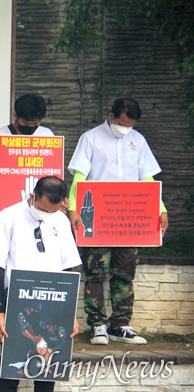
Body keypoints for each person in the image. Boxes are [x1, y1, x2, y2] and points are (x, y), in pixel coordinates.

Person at [67, 97, 169, 346]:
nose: (126, 129)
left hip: (129, 217)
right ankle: (98, 325)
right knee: (96, 274)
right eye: (122, 123)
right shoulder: (90, 138)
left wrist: (161, 208)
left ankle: (120, 324)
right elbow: (79, 178)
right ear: (111, 116)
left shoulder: (138, 140)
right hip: (97, 217)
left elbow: (147, 179)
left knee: (125, 273)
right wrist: (72, 207)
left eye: (131, 125)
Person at [0, 176, 82, 392]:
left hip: (54, 302)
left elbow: (67, 270)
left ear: (63, 203)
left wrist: (70, 313)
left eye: (52, 211)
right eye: (42, 209)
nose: (46, 215)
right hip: (18, 300)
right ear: (33, 195)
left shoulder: (62, 221)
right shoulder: (8, 218)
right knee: (10, 369)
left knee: (47, 372)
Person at [0, 94, 54, 236]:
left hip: (41, 213)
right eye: (26, 124)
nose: (31, 128)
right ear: (15, 116)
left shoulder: (47, 135)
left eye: (35, 124)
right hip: (6, 212)